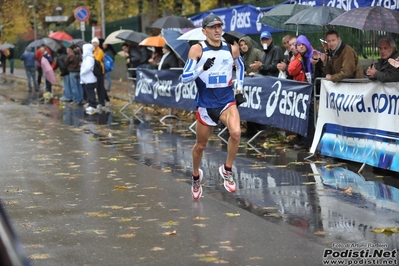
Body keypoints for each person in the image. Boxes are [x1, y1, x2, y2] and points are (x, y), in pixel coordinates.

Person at [181, 14, 245, 199]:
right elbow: (185, 78)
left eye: (219, 26)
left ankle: (227, 169)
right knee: (200, 146)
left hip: (226, 100)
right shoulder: (197, 49)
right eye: (212, 27)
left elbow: (240, 67)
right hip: (206, 104)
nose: (217, 30)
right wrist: (202, 68)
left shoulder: (231, 49)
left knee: (236, 133)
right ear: (204, 31)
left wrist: (239, 87)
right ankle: (195, 176)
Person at [248, 31, 283, 138]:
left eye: (266, 39)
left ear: (271, 39)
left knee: (271, 107)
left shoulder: (276, 50)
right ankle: (263, 129)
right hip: (265, 83)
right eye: (263, 39)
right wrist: (257, 68)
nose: (265, 41)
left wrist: (260, 67)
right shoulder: (263, 52)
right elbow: (264, 69)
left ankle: (271, 130)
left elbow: (274, 67)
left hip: (274, 84)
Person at [91, 37, 110, 108]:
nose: (94, 44)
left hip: (100, 70)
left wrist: (92, 58)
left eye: (95, 43)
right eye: (93, 43)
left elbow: (97, 60)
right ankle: (106, 99)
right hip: (95, 70)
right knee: (100, 86)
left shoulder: (99, 51)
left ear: (98, 44)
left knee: (99, 86)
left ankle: (101, 102)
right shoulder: (93, 51)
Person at [80, 43, 98, 115]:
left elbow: (88, 67)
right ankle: (91, 104)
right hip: (87, 79)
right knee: (88, 92)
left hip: (89, 79)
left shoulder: (89, 58)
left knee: (90, 92)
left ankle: (93, 105)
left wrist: (82, 72)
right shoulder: (87, 58)